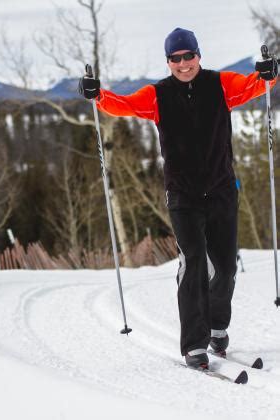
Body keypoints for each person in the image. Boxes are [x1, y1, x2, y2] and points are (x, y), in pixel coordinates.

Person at [79, 28, 278, 369]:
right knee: (194, 264)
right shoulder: (157, 95)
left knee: (226, 267)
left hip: (221, 190)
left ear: (199, 55)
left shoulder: (221, 84)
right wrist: (98, 96)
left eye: (189, 56)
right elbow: (123, 106)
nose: (184, 64)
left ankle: (217, 328)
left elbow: (254, 85)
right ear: (168, 61)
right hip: (183, 196)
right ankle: (194, 345)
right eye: (176, 58)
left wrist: (269, 74)